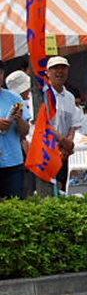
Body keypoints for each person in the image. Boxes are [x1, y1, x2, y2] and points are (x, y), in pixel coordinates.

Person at [35, 56, 84, 196]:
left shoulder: (69, 96)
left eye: (63, 68)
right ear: (48, 72)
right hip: (46, 150)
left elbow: (74, 124)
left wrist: (68, 144)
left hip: (63, 152)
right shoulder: (42, 95)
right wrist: (63, 141)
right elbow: (42, 123)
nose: (59, 72)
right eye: (55, 68)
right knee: (47, 188)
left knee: (61, 186)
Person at [0, 61, 32, 200]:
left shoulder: (14, 97)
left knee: (16, 205)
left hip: (13, 161)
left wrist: (19, 119)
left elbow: (25, 131)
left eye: (0, 72)